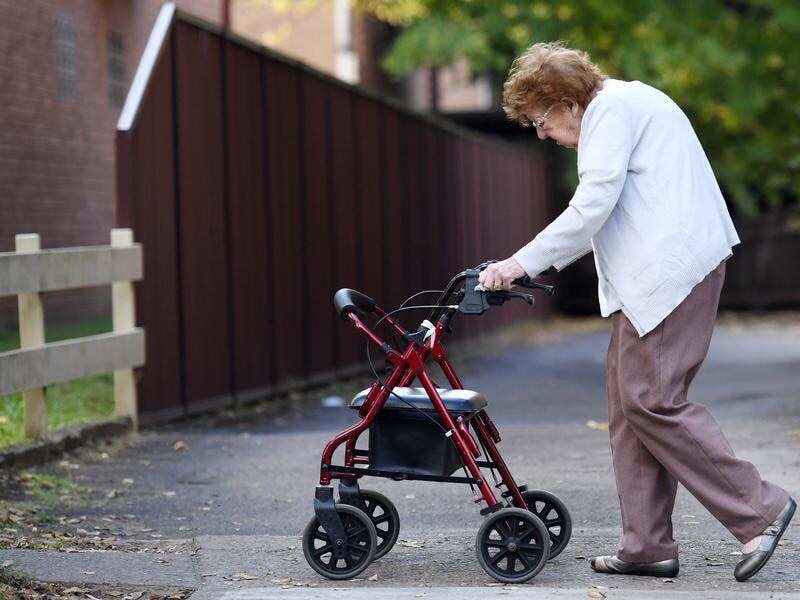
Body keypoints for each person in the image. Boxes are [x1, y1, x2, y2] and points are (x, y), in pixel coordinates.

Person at [479, 41, 794, 582]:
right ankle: (647, 546)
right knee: (629, 408)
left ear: (566, 102)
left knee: (651, 400)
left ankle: (759, 509)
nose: (542, 133)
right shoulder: (619, 107)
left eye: (540, 120)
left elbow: (593, 205)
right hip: (658, 281)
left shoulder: (612, 111)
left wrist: (518, 264)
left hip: (672, 277)